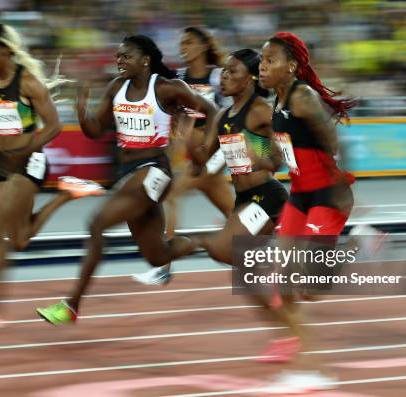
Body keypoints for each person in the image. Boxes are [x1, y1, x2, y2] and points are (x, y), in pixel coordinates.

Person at [36, 35, 218, 324]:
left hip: (155, 170)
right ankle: (209, 241)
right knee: (158, 256)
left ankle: (70, 306)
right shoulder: (116, 88)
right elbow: (96, 130)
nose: (119, 61)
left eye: (126, 56)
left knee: (96, 224)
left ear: (145, 60)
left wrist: (204, 152)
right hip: (128, 173)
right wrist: (82, 109)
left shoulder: (167, 87)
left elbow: (212, 111)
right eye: (117, 57)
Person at [0, 24, 103, 334]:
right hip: (2, 165)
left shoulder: (29, 83)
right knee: (19, 239)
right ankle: (66, 194)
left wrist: (27, 148)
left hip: (29, 163)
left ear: (6, 50)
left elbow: (54, 126)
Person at [257, 31, 357, 391]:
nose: (262, 66)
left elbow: (332, 139)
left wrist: (339, 182)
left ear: (292, 66)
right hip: (300, 196)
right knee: (281, 284)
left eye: (270, 60)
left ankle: (357, 243)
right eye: (262, 60)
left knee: (311, 287)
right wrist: (237, 144)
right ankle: (311, 366)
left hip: (327, 196)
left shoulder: (302, 96)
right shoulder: (277, 100)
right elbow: (272, 156)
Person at [132, 26, 234, 285]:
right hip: (190, 154)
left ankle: (163, 266)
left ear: (202, 47)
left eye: (188, 43)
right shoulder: (178, 77)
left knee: (170, 195)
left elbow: (232, 114)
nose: (183, 47)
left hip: (215, 153)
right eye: (181, 43)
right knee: (235, 212)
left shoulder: (217, 78)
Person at [187, 48, 287, 265]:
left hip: (266, 198)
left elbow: (277, 161)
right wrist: (187, 126)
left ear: (250, 80)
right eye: (224, 71)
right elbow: (201, 160)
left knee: (221, 250)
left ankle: (281, 256)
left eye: (232, 72)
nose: (224, 76)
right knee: (244, 271)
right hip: (243, 199)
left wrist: (255, 152)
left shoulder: (260, 110)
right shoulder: (222, 116)